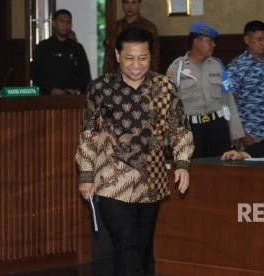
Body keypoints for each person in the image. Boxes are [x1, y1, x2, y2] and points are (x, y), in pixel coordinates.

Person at [75, 27, 194, 276]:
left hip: (152, 180)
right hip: (112, 180)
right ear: (118, 55)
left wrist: (182, 164)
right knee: (126, 242)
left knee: (140, 248)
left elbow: (179, 130)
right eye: (129, 58)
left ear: (151, 56)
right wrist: (86, 176)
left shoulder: (164, 87)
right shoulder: (100, 89)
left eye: (143, 58)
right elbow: (89, 135)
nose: (136, 65)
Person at [166, 22, 245, 158]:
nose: (213, 45)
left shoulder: (217, 65)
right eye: (210, 41)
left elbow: (228, 99)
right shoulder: (176, 68)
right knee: (194, 172)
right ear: (196, 42)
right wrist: (168, 139)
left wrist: (235, 132)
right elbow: (169, 106)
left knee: (221, 171)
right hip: (191, 129)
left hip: (217, 127)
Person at [31, 9, 91, 95]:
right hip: (49, 97)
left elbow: (85, 73)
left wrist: (78, 90)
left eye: (68, 22)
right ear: (54, 23)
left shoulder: (77, 48)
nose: (65, 25)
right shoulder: (43, 47)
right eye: (62, 21)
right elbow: (35, 74)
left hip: (73, 97)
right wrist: (51, 89)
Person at [103, 0, 160, 73]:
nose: (130, 7)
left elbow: (154, 56)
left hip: (142, 73)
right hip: (117, 75)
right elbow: (109, 55)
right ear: (122, 4)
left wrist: (150, 77)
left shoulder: (148, 27)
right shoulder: (115, 27)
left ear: (139, 4)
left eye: (133, 3)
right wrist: (107, 76)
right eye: (126, 2)